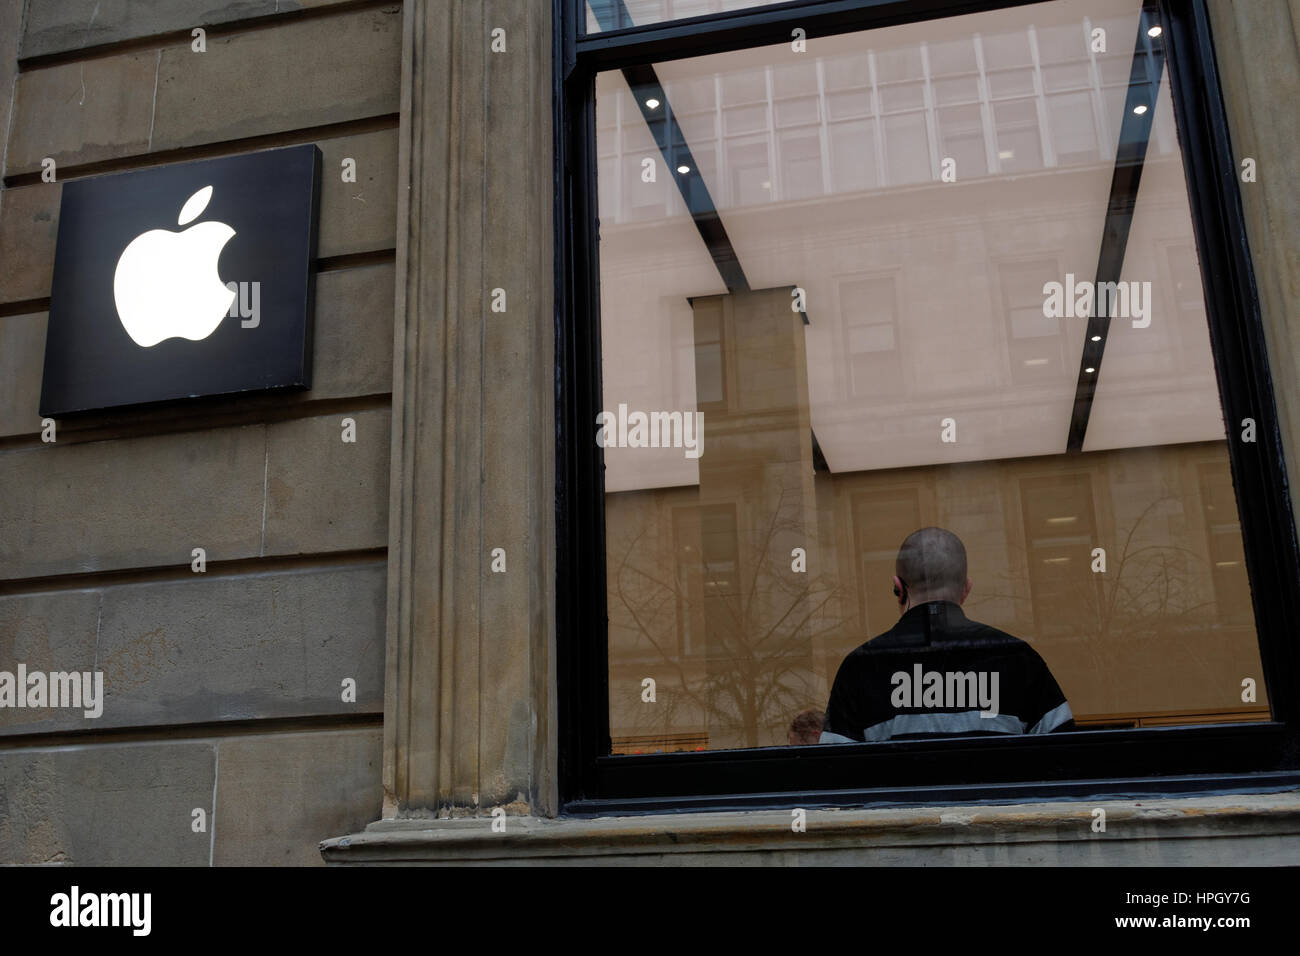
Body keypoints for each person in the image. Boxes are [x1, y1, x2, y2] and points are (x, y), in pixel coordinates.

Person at [821, 526, 1073, 743]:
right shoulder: (1018, 660)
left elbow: (835, 777)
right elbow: (1066, 763)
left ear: (898, 588)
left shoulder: (861, 668)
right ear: (966, 588)